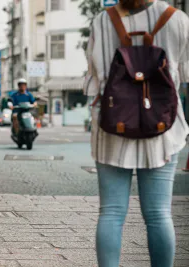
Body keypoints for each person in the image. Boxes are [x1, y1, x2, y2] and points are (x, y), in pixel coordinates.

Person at [84, 1, 189, 266]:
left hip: (112, 128)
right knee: (159, 214)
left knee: (111, 213)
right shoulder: (177, 19)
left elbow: (92, 82)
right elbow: (184, 75)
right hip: (163, 129)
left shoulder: (102, 20)